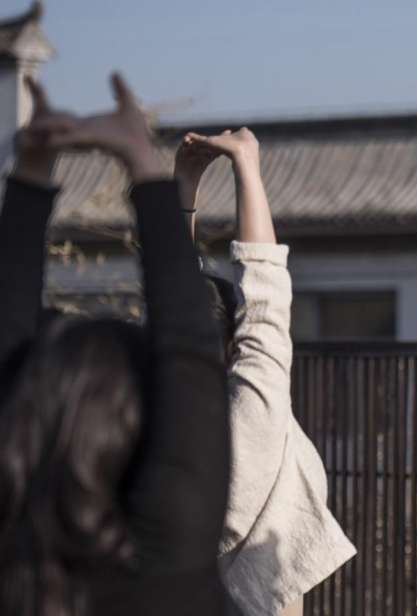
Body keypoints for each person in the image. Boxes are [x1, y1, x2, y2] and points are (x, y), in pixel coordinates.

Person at [0, 74, 230, 615]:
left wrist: (32, 168)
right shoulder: (164, 559)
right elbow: (191, 350)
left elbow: (188, 353)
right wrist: (141, 157)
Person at [173, 128, 356, 616]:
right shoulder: (247, 418)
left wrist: (184, 184)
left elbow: (169, 305)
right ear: (234, 344)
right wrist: (247, 166)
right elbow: (266, 302)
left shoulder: (164, 419)